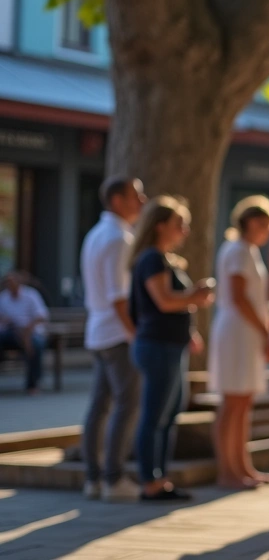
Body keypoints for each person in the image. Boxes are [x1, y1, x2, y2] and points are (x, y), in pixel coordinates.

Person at [128, 195, 215, 501]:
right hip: (157, 345)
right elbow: (164, 301)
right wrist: (196, 296)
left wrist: (190, 326)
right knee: (155, 415)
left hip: (170, 345)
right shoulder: (151, 258)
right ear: (161, 225)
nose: (185, 231)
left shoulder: (163, 259)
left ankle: (160, 477)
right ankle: (149, 480)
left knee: (169, 413)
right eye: (180, 224)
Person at [79, 176, 145, 502]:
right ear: (118, 200)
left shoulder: (97, 234)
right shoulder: (119, 238)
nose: (142, 202)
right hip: (117, 333)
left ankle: (95, 477)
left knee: (100, 406)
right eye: (136, 195)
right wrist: (134, 334)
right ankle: (113, 478)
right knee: (126, 404)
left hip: (100, 330)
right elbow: (119, 296)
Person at [208, 196, 269, 490]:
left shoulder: (248, 251)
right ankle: (227, 471)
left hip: (246, 332)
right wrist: (264, 330)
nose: (265, 230)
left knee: (243, 401)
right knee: (233, 402)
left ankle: (242, 466)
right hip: (238, 331)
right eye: (261, 223)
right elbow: (239, 297)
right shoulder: (238, 250)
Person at [0, 271, 49, 394]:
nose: (9, 285)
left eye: (12, 282)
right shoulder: (4, 297)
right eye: (7, 282)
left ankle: (33, 384)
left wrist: (27, 330)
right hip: (10, 331)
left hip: (30, 331)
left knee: (36, 345)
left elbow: (41, 316)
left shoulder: (31, 295)